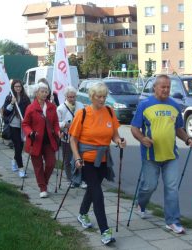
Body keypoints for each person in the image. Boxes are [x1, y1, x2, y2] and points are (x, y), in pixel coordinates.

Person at [130, 74, 192, 234]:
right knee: (149, 186)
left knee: (172, 188)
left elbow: (178, 128)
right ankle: (141, 203)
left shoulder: (174, 105)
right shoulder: (145, 105)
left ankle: (172, 221)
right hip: (150, 155)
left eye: (168, 87)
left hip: (170, 155)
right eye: (163, 87)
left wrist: (188, 139)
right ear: (155, 87)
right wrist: (142, 139)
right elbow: (134, 128)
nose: (166, 89)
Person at [69, 82, 126, 245]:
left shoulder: (109, 111)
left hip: (103, 159)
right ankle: (105, 231)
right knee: (98, 193)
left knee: (93, 190)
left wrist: (119, 141)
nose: (102, 100)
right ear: (92, 97)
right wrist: (77, 157)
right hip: (86, 159)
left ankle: (82, 214)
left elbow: (114, 135)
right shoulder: (83, 113)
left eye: (104, 97)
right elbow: (73, 139)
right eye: (99, 97)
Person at [22, 82, 60, 198]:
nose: (44, 94)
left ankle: (44, 182)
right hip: (36, 141)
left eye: (46, 91)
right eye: (42, 92)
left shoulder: (52, 107)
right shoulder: (31, 108)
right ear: (36, 93)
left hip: (49, 141)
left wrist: (58, 131)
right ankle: (42, 188)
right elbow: (25, 124)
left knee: (51, 163)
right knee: (38, 167)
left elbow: (55, 123)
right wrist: (30, 133)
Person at [56, 86, 86, 188]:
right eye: (70, 97)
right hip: (66, 136)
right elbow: (56, 123)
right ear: (66, 97)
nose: (72, 99)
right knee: (68, 160)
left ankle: (81, 179)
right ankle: (70, 179)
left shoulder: (81, 106)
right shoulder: (60, 108)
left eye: (73, 97)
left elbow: (85, 119)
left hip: (79, 137)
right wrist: (64, 124)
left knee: (79, 158)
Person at [3, 79, 31, 177]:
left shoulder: (25, 98)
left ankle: (14, 160)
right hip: (13, 125)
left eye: (19, 86)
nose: (18, 88)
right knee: (17, 146)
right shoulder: (9, 97)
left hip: (23, 126)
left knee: (20, 147)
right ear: (13, 88)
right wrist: (11, 103)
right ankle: (21, 169)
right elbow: (6, 112)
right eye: (16, 87)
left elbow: (29, 110)